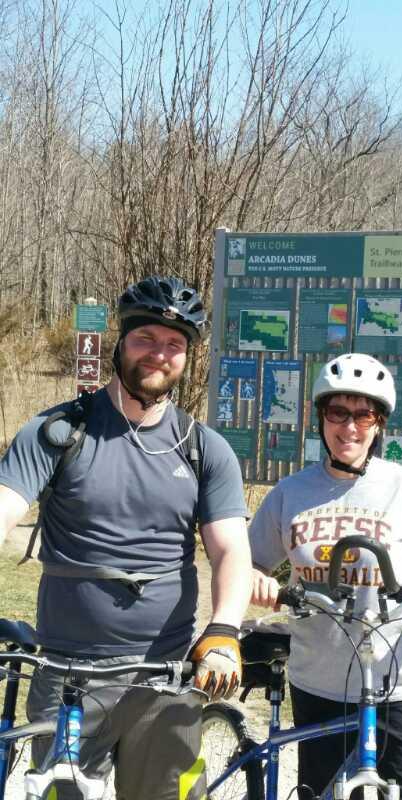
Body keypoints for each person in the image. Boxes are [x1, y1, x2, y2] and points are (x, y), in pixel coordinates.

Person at [0, 275, 253, 800]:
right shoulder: (58, 433)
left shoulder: (205, 449)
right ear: (120, 341)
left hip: (165, 675)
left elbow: (230, 548)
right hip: (67, 674)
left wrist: (225, 630)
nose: (159, 354)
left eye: (174, 344)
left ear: (187, 357)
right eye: (145, 339)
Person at [249, 353, 402, 800]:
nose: (350, 427)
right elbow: (247, 562)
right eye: (338, 412)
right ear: (321, 418)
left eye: (364, 414)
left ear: (379, 423)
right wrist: (256, 579)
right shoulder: (291, 492)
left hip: (401, 683)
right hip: (319, 679)